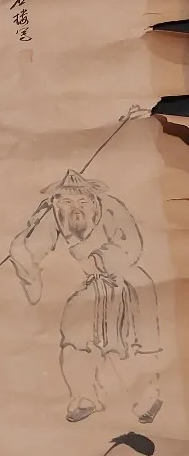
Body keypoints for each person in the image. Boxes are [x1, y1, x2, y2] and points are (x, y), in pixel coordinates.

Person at [9, 169, 162, 424]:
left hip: (126, 282)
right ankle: (84, 397)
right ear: (57, 202)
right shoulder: (54, 214)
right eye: (68, 202)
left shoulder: (112, 208)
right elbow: (30, 245)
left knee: (130, 343)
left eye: (82, 201)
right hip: (88, 286)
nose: (76, 209)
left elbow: (131, 245)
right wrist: (26, 257)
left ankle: (147, 398)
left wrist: (97, 261)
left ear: (93, 200)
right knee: (75, 337)